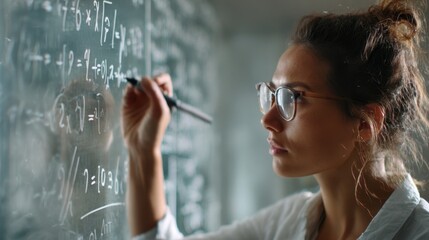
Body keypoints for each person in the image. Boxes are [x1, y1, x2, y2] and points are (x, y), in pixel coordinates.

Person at [121, 0, 429, 239]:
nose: (267, 120)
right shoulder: (288, 222)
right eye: (271, 95)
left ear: (364, 123)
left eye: (291, 98)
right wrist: (143, 151)